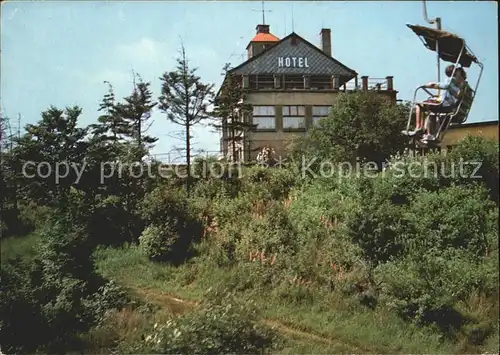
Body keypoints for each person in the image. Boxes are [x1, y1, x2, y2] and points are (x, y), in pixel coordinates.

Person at [406, 65, 466, 141]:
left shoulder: (451, 81)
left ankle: (419, 128)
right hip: (450, 106)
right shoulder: (462, 85)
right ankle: (430, 134)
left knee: (419, 105)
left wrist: (428, 85)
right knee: (432, 111)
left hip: (444, 104)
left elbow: (444, 86)